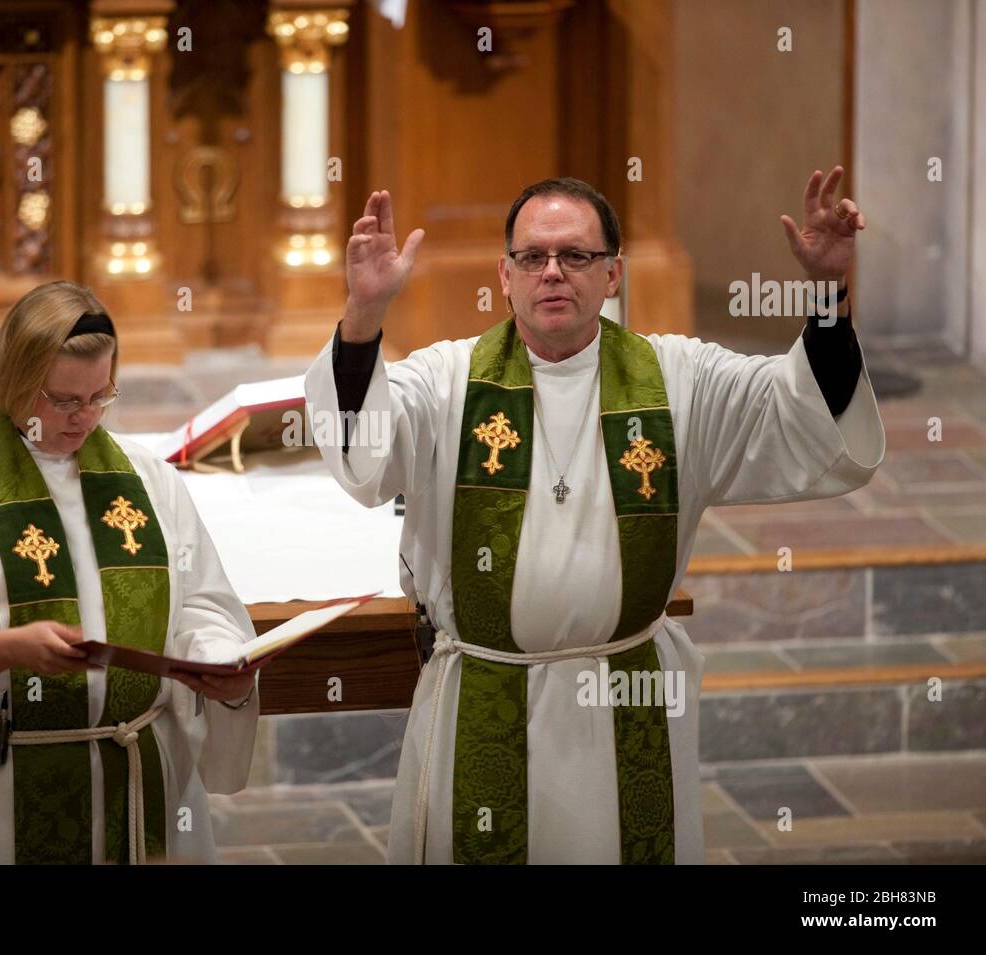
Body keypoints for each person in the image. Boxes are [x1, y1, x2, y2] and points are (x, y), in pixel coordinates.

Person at [303, 169, 885, 864]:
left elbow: (802, 411)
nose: (553, 272)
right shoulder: (448, 380)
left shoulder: (678, 381)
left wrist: (826, 296)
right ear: (505, 274)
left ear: (612, 274)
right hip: (484, 699)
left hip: (627, 699)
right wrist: (364, 313)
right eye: (532, 257)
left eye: (576, 256)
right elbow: (367, 456)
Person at [0, 280, 258, 864]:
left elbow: (201, 601)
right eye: (65, 400)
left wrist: (222, 660)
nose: (86, 418)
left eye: (101, 395)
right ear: (15, 381)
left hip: (132, 775)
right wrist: (3, 649)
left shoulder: (148, 481)